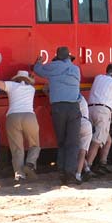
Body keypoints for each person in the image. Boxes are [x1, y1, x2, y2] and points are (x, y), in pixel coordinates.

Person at [33, 46, 81, 185]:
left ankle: (61, 173)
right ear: (68, 58)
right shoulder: (76, 69)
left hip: (58, 108)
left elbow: (37, 70)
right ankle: (70, 175)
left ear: (57, 57)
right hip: (73, 107)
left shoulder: (53, 67)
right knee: (73, 142)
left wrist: (39, 62)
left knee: (61, 142)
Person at [0, 54, 39, 183]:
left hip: (13, 117)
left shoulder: (11, 85)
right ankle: (30, 164)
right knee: (35, 144)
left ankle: (19, 174)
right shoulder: (31, 89)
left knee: (17, 148)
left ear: (16, 78)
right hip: (29, 116)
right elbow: (32, 80)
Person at [86, 63, 112, 174]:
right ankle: (87, 167)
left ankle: (102, 163)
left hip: (90, 109)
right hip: (104, 111)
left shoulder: (98, 78)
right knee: (97, 141)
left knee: (108, 140)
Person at [74, 94, 93, 184]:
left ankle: (78, 174)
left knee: (77, 150)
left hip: (76, 122)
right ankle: (84, 170)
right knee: (82, 151)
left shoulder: (73, 97)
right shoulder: (81, 98)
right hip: (86, 123)